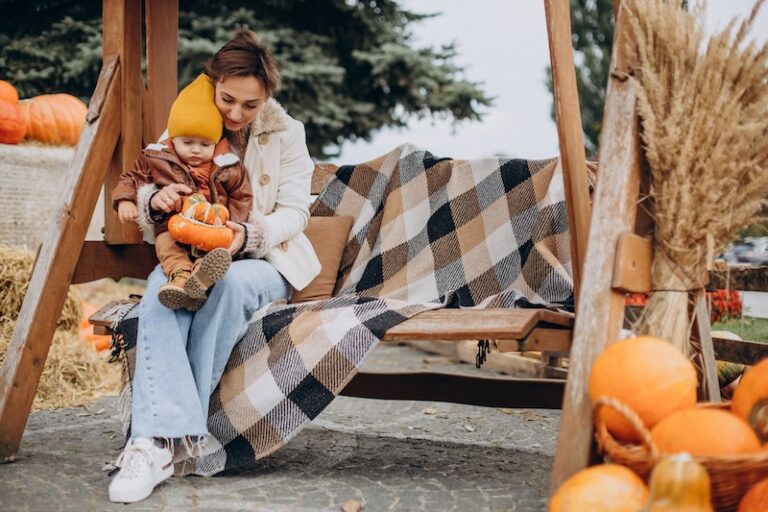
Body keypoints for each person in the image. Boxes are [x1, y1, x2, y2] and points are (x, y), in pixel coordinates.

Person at [107, 29, 321, 504]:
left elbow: (296, 210)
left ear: (266, 96)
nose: (237, 114)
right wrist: (149, 199)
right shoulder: (189, 120)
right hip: (193, 252)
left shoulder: (288, 134)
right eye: (229, 99)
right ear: (213, 83)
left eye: (252, 104)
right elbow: (150, 174)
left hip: (266, 258)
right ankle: (158, 444)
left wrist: (250, 234)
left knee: (229, 283)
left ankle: (159, 433)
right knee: (165, 285)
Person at [112, 74, 253, 311]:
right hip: (172, 226)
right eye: (188, 142)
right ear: (173, 139)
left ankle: (201, 275)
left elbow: (242, 195)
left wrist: (234, 223)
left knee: (214, 251)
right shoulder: (157, 158)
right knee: (167, 246)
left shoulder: (228, 165)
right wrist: (125, 199)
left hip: (212, 226)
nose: (196, 150)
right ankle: (179, 279)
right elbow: (132, 177)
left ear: (215, 142)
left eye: (205, 144)